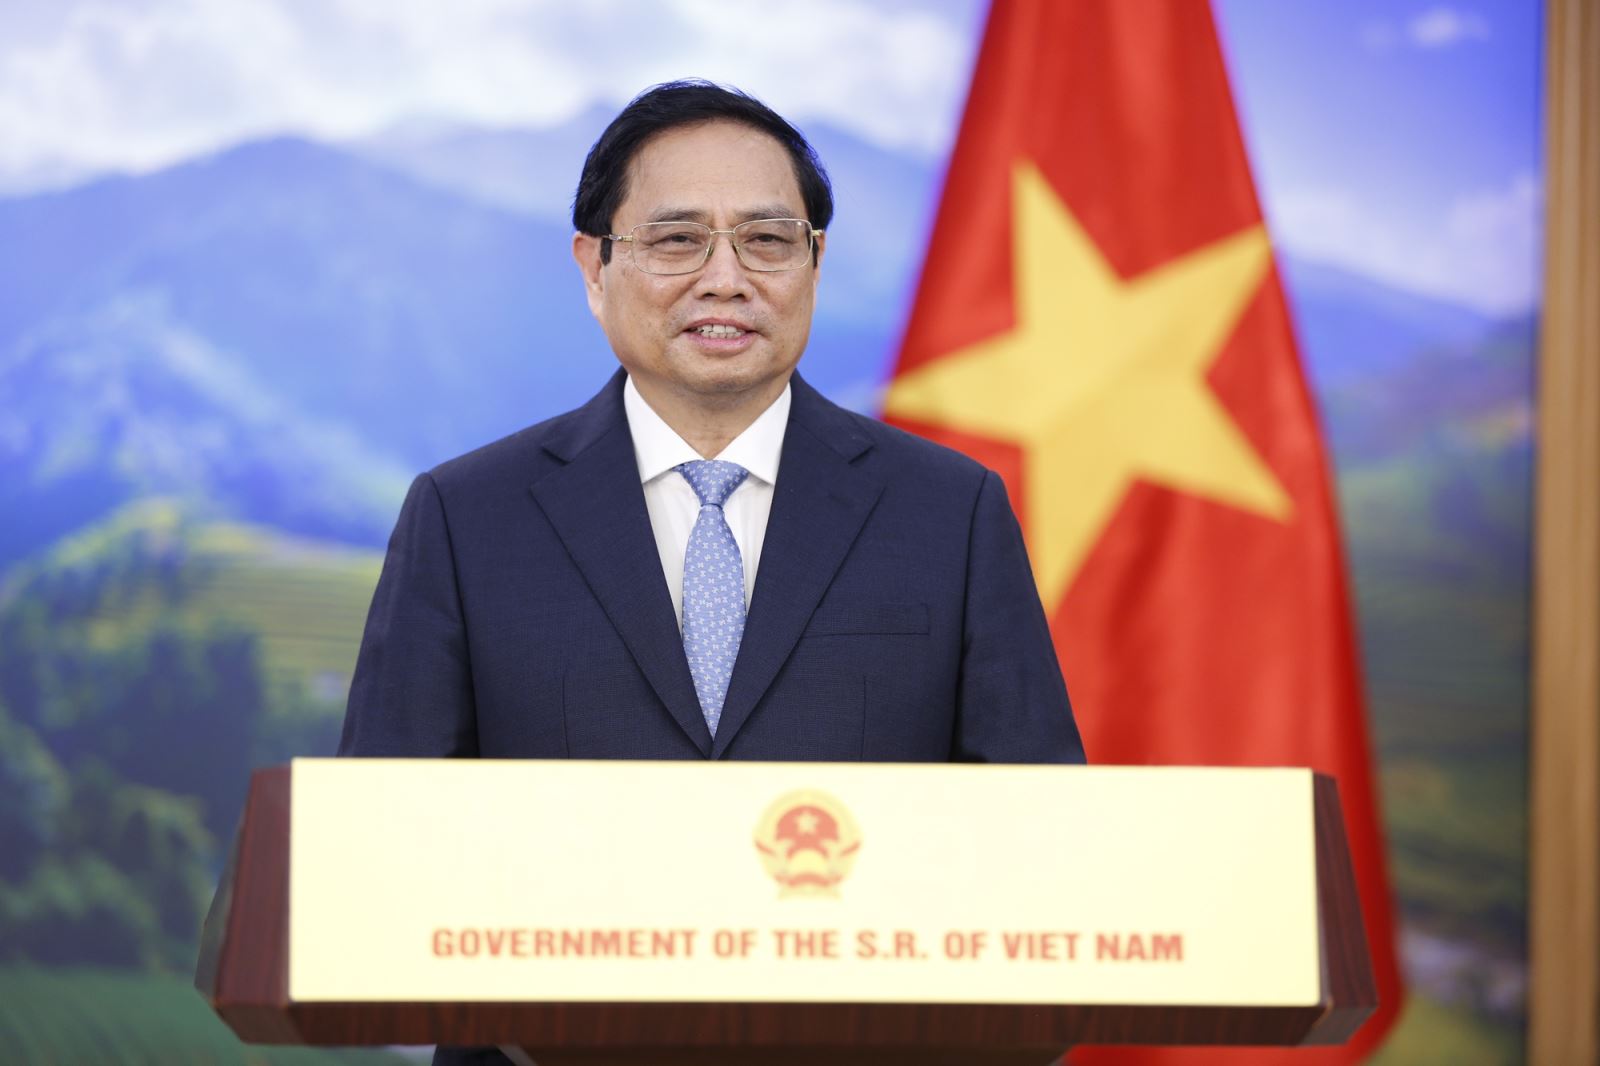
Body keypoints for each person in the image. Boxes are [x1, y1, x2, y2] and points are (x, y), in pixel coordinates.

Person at [338, 80, 1083, 1065]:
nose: (725, 278)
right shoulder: (467, 516)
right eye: (678, 239)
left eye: (767, 240)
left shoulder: (950, 513)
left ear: (815, 264)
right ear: (595, 266)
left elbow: (1043, 861)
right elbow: (380, 859)